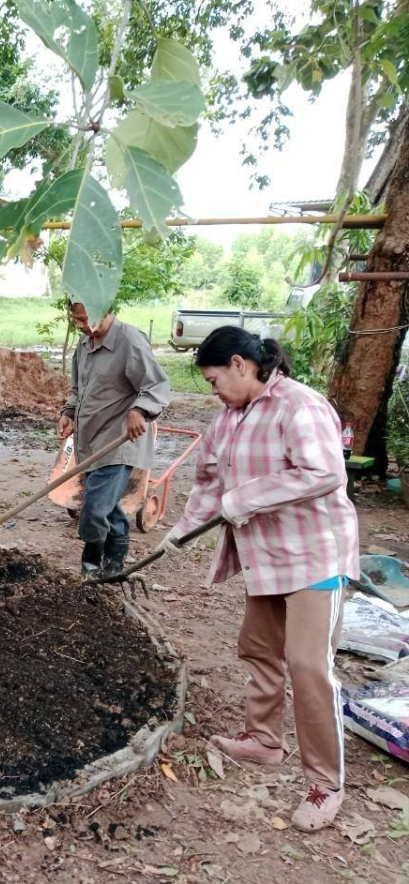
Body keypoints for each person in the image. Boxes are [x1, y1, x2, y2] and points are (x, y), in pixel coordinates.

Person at [160, 326, 359, 832]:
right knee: (259, 648)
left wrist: (244, 499)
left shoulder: (299, 406)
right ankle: (265, 740)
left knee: (308, 666)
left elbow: (324, 472)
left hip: (315, 556)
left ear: (240, 365)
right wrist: (181, 531)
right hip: (264, 556)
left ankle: (325, 783)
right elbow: (208, 481)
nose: (213, 390)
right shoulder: (227, 418)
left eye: (213, 378)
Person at [58, 303, 171, 577]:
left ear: (105, 310)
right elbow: (78, 388)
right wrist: (69, 412)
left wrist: (139, 410)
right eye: (77, 321)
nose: (82, 326)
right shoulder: (85, 345)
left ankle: (92, 569)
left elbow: (156, 385)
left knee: (95, 507)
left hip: (119, 441)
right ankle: (113, 567)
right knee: (106, 506)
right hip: (91, 441)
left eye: (86, 319)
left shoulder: (129, 340)